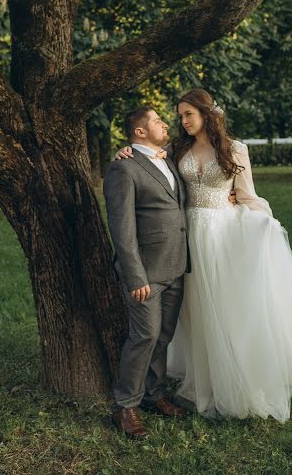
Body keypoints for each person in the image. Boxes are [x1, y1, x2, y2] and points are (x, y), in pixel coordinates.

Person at [114, 88, 292, 423]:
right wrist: (126, 150)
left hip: (222, 236)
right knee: (194, 315)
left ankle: (232, 383)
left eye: (188, 114)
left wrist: (265, 224)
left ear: (206, 113)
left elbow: (247, 196)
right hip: (186, 239)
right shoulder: (177, 149)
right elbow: (148, 163)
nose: (182, 121)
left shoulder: (236, 150)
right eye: (178, 116)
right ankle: (181, 385)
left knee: (227, 310)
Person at [103, 106, 189, 438]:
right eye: (157, 121)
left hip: (176, 267)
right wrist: (135, 276)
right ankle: (125, 406)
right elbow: (121, 229)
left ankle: (155, 395)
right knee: (145, 336)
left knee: (164, 336)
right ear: (140, 131)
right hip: (146, 273)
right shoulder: (123, 169)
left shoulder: (166, 159)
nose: (165, 124)